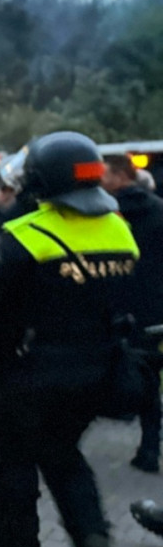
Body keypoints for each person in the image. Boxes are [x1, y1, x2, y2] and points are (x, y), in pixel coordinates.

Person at [0, 132, 136, 547]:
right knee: (64, 452)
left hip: (29, 371)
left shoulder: (25, 235)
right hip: (98, 368)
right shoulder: (119, 229)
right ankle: (91, 535)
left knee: (11, 462)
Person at [103, 154, 163, 473]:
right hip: (153, 306)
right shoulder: (158, 209)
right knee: (150, 376)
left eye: (104, 174)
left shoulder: (106, 212)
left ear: (119, 177)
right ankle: (150, 447)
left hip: (114, 303)